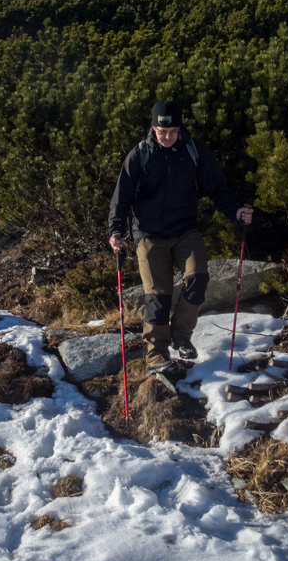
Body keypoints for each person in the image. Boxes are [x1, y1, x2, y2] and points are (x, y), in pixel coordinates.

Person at [107, 100, 253, 375]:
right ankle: (156, 356)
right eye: (162, 131)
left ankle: (181, 335)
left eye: (173, 131)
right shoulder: (139, 155)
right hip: (149, 234)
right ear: (153, 128)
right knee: (158, 297)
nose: (167, 136)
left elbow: (217, 187)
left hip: (186, 229)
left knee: (198, 278)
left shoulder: (193, 150)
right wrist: (116, 232)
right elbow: (121, 198)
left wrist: (235, 211)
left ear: (180, 128)